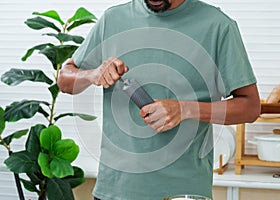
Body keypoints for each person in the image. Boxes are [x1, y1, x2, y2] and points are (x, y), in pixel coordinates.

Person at [57, 0, 261, 199]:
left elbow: (250, 107)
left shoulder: (218, 26)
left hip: (183, 191)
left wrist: (185, 109)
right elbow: (65, 79)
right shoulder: (112, 19)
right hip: (115, 190)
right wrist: (92, 74)